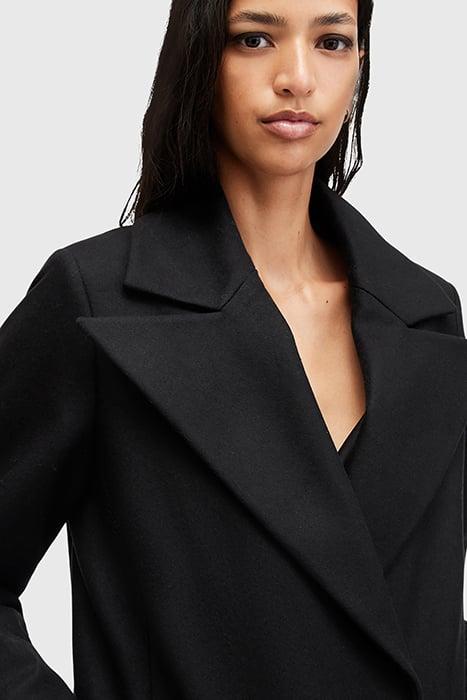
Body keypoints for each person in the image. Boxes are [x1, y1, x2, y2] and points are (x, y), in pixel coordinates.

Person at [1, 0, 466, 697]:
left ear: (360, 63)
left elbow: (426, 613)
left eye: (332, 41)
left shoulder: (426, 314)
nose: (298, 77)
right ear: (198, 58)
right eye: (254, 38)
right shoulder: (98, 300)